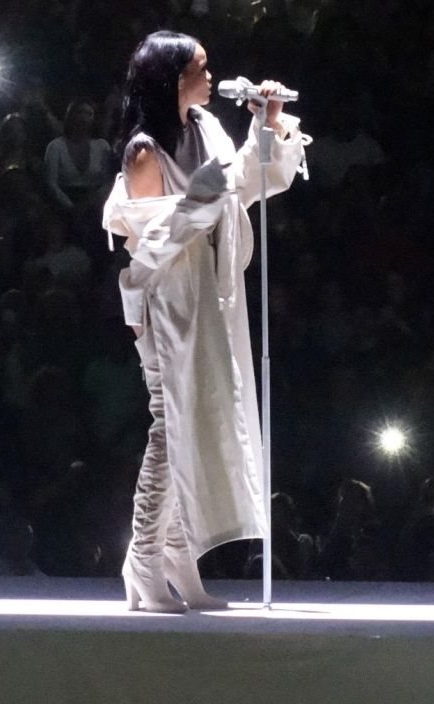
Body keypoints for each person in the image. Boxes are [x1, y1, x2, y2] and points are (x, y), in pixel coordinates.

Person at [103, 30, 305, 612]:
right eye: (200, 68)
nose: (210, 77)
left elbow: (243, 183)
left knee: (200, 420)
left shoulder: (207, 127)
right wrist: (211, 192)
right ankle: (143, 557)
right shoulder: (144, 151)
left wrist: (267, 123)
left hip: (211, 296)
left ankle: (176, 552)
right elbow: (155, 238)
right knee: (171, 424)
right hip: (167, 300)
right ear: (172, 79)